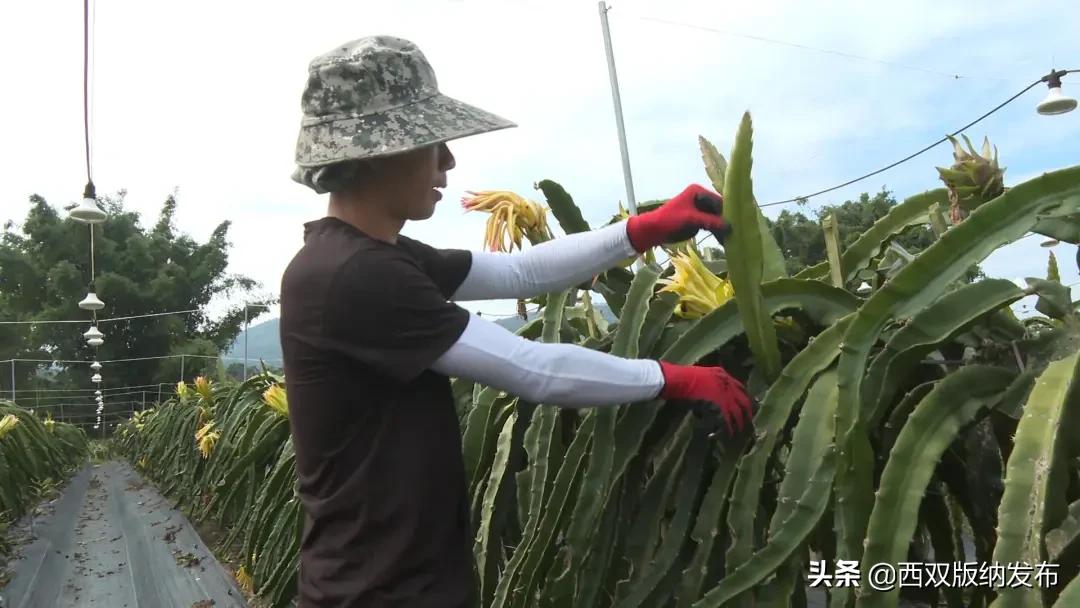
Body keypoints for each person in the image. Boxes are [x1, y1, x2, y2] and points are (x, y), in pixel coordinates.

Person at [280, 35, 752, 608]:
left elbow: (519, 274)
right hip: (379, 592)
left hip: (396, 579)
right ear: (378, 151)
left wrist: (640, 230)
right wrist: (676, 378)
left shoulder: (375, 257)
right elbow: (532, 370)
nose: (449, 161)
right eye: (433, 142)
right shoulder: (354, 276)